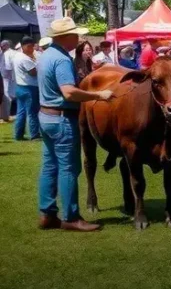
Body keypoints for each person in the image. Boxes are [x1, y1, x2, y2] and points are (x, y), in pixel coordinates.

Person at [36, 17, 113, 232]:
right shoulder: (61, 59)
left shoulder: (46, 55)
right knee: (69, 168)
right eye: (75, 34)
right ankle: (71, 217)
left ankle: (47, 214)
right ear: (65, 36)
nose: (78, 38)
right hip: (61, 119)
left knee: (50, 166)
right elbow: (69, 92)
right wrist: (98, 95)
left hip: (46, 116)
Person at [14, 36, 41, 141]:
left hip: (20, 86)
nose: (31, 49)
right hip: (29, 88)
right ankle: (34, 134)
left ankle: (18, 135)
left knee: (21, 112)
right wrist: (38, 65)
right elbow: (33, 73)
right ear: (23, 46)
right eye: (29, 46)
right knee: (32, 112)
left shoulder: (17, 55)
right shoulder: (25, 58)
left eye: (32, 46)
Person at [1, 40, 13, 122]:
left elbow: (8, 67)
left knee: (6, 95)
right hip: (5, 77)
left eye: (2, 46)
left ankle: (6, 115)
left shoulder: (7, 53)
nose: (1, 47)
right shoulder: (4, 53)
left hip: (6, 77)